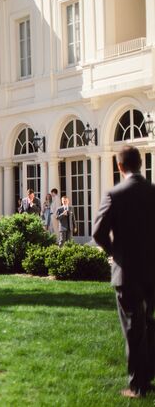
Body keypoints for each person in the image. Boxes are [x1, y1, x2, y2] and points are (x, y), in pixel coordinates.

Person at [93, 146, 155, 399]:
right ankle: (146, 376)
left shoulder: (114, 194)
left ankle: (137, 385)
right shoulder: (153, 192)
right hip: (152, 270)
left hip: (126, 271)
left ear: (119, 167)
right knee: (148, 323)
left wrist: (113, 252)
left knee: (133, 327)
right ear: (140, 163)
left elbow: (98, 232)